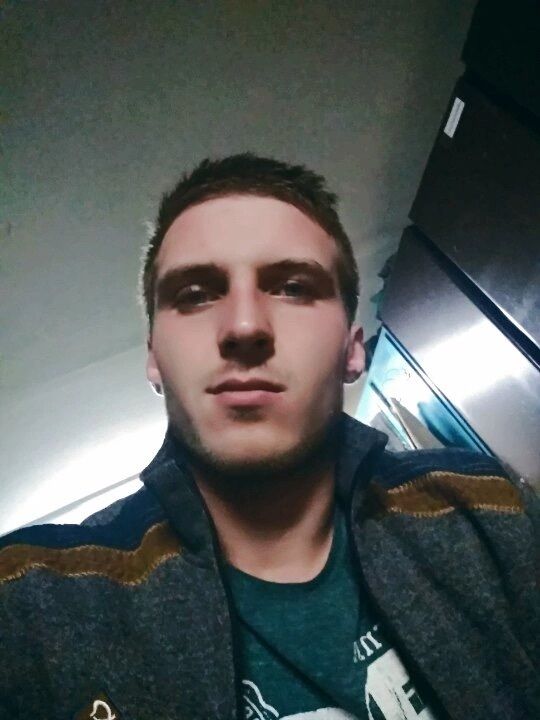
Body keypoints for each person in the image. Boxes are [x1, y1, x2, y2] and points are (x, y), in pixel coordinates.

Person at [0, 154, 538, 720]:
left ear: (353, 350)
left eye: (293, 287)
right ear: (155, 358)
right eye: (195, 294)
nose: (244, 326)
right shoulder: (31, 601)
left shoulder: (486, 510)